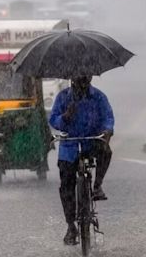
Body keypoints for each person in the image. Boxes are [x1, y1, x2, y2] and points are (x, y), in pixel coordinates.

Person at [49, 75, 114, 246]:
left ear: (90, 78)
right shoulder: (63, 97)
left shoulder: (99, 97)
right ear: (72, 80)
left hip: (91, 141)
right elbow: (53, 119)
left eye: (85, 79)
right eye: (78, 80)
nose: (81, 84)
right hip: (69, 147)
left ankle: (97, 185)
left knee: (106, 152)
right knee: (66, 188)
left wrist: (107, 131)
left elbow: (108, 117)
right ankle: (71, 226)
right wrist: (65, 117)